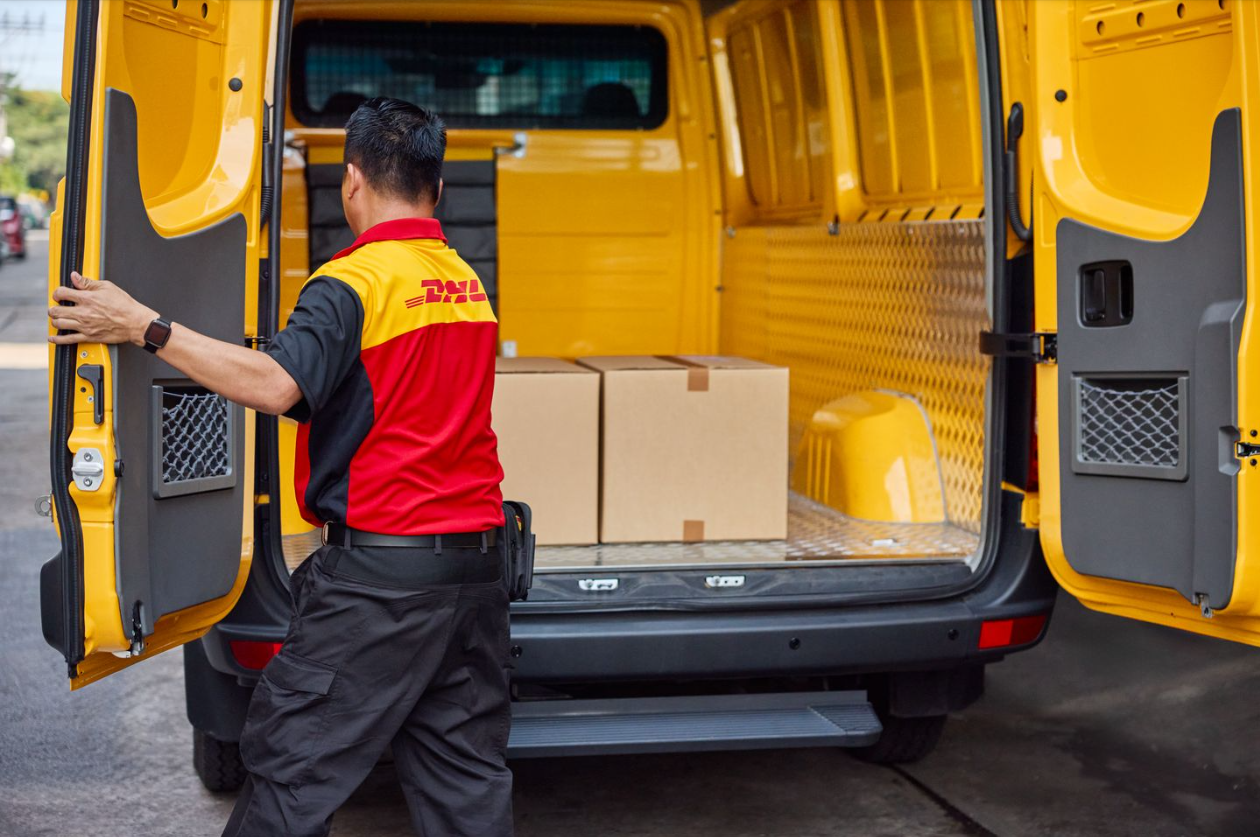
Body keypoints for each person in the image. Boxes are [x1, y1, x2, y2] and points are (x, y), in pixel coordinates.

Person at [48, 98, 514, 837]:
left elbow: (275, 385)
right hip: (474, 577)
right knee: (465, 786)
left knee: (291, 775)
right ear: (439, 187)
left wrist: (145, 326)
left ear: (352, 181)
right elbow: (386, 398)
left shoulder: (354, 281)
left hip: (379, 588)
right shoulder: (465, 283)